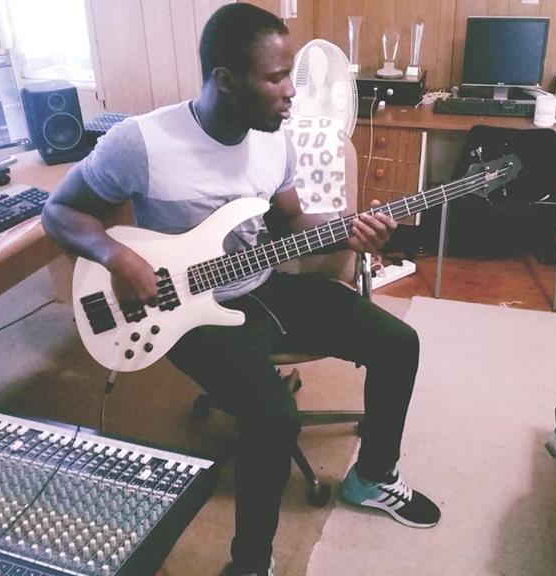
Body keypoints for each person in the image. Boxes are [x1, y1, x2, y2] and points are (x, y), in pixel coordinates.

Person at [41, 3, 440, 575]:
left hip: (260, 286)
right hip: (183, 312)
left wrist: (349, 228)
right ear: (226, 80)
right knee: (275, 418)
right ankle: (251, 563)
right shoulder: (141, 142)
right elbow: (59, 211)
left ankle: (372, 477)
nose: (291, 91)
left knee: (399, 342)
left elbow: (288, 223)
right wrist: (117, 256)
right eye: (276, 78)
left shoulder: (275, 140)